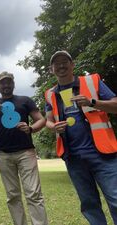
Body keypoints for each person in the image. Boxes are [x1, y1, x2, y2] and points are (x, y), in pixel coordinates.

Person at [45, 50, 117, 225]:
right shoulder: (49, 94)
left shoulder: (92, 81)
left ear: (72, 65)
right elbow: (48, 121)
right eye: (57, 63)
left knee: (115, 199)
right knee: (89, 204)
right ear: (51, 69)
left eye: (65, 61)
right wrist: (54, 126)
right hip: (73, 157)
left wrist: (93, 102)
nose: (61, 65)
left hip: (103, 154)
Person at [0, 71, 48, 225]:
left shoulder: (25, 100)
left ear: (13, 83)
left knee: (33, 194)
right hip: (3, 155)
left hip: (26, 152)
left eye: (8, 82)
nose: (6, 85)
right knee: (12, 196)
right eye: (2, 82)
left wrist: (31, 128)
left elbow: (41, 120)